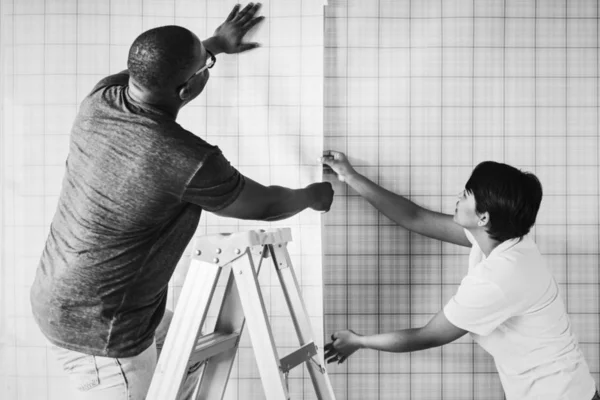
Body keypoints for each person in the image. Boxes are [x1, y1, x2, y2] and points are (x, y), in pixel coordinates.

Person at [30, 4, 333, 399]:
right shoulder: (185, 159)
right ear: (188, 89)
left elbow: (158, 71)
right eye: (205, 67)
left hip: (62, 294)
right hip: (103, 332)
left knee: (185, 352)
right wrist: (313, 196)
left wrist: (216, 46)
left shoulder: (100, 99)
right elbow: (266, 205)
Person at [320, 150, 599, 400]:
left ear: (483, 218)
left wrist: (359, 341)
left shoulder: (498, 277)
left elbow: (425, 336)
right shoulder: (505, 240)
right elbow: (414, 217)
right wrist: (350, 176)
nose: (458, 197)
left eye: (466, 194)